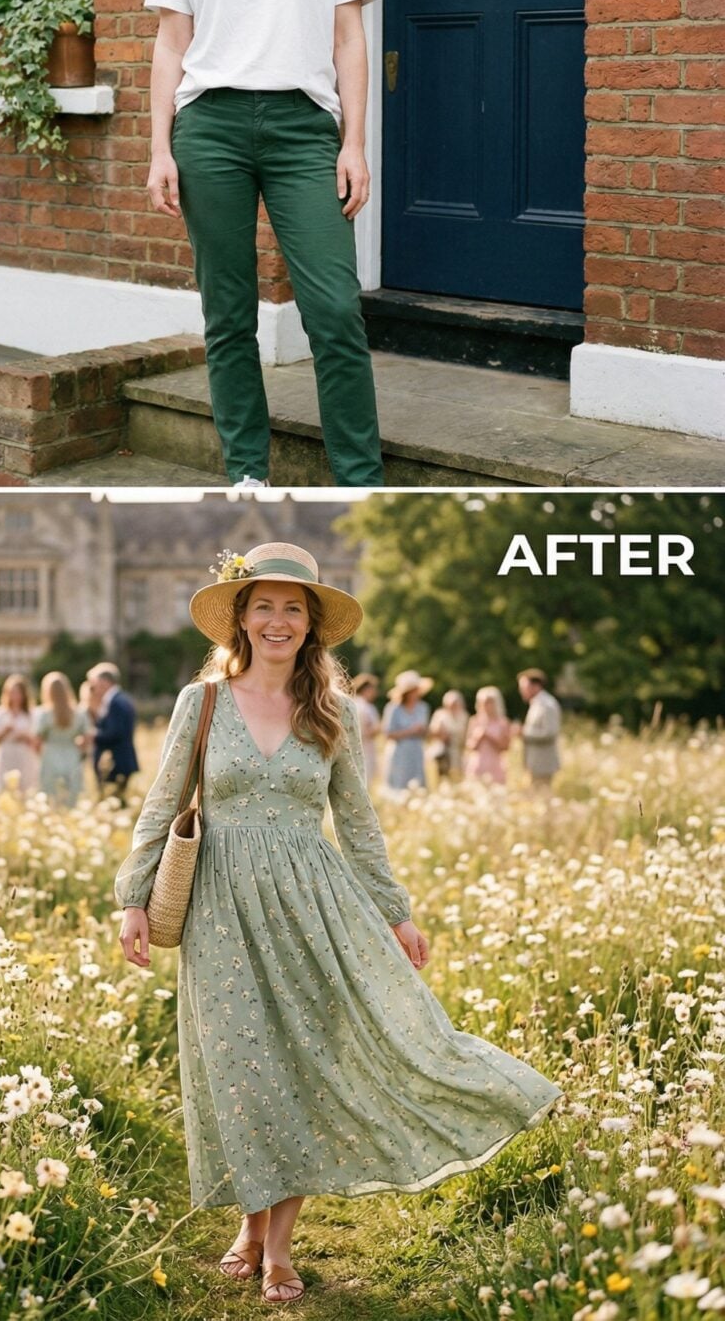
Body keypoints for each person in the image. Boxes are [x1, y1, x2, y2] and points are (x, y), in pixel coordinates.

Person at [115, 542, 561, 1304]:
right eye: (264, 605)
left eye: (294, 608)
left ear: (311, 623)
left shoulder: (333, 712)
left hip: (310, 906)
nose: (278, 620)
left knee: (298, 1063)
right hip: (220, 907)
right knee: (240, 1064)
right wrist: (133, 894)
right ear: (241, 618)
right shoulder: (202, 702)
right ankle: (249, 1224)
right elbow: (161, 803)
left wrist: (396, 911)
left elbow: (357, 821)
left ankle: (278, 1247)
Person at [144, 0, 385, 489]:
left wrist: (354, 143)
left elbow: (349, 38)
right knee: (228, 313)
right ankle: (247, 473)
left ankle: (361, 483)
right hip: (209, 129)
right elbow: (170, 44)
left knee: (334, 310)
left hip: (303, 129)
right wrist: (159, 149)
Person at [34, 672, 88, 806]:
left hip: (50, 756)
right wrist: (80, 751)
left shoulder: (44, 713)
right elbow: (87, 738)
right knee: (71, 796)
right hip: (72, 755)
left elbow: (37, 740)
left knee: (51, 796)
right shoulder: (79, 713)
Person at [87, 662, 139, 802]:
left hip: (116, 763)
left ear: (104, 682)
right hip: (119, 761)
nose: (93, 688)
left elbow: (115, 732)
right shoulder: (119, 699)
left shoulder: (116, 702)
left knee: (112, 803)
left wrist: (94, 735)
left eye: (94, 683)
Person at [382, 670, 434, 793]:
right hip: (400, 751)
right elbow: (388, 734)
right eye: (413, 690)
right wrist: (410, 731)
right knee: (399, 786)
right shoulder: (394, 708)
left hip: (417, 750)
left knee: (417, 785)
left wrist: (424, 731)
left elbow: (426, 732)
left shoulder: (423, 707)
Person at [0, 675, 39, 795]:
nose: (14, 696)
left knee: (25, 789)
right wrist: (5, 731)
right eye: (11, 692)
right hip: (5, 755)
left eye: (17, 693)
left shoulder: (31, 714)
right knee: (3, 789)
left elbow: (37, 741)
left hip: (24, 756)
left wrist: (25, 736)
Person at [515, 669, 562, 790]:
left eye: (524, 687)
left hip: (543, 764)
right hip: (534, 763)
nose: (521, 691)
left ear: (536, 686)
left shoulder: (547, 705)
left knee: (542, 796)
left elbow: (550, 733)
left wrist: (524, 732)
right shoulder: (536, 704)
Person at [465, 687, 512, 786]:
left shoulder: (503, 722)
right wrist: (478, 738)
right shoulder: (474, 721)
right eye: (483, 703)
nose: (486, 706)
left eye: (489, 702)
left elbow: (506, 747)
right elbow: (469, 746)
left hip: (495, 765)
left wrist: (489, 736)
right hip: (478, 764)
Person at [426, 689, 468, 783]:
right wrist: (441, 733)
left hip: (457, 750)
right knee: (442, 775)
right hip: (442, 750)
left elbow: (465, 735)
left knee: (457, 776)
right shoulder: (440, 715)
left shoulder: (463, 716)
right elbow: (431, 733)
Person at [351, 671, 382, 788]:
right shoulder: (365, 707)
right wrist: (378, 728)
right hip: (364, 748)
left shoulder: (353, 703)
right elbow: (365, 730)